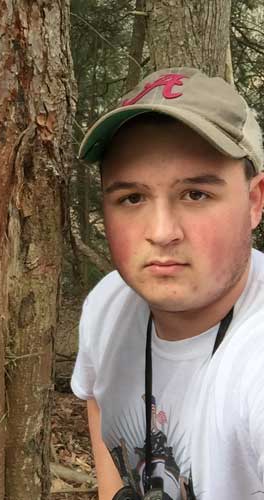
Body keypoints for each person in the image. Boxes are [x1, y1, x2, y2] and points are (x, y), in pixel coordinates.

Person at [71, 67, 264, 499]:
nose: (161, 232)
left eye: (196, 194)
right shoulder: (108, 305)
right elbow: (98, 398)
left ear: (254, 201)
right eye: (132, 198)